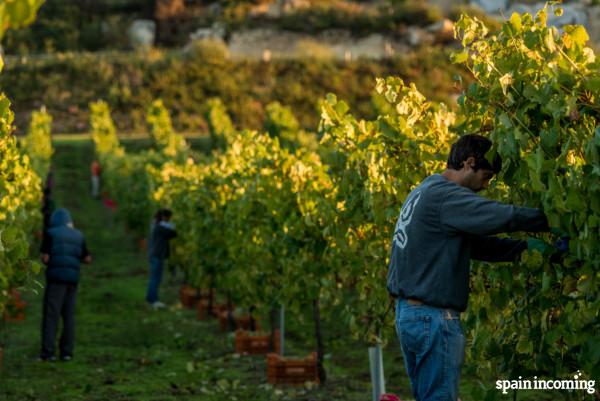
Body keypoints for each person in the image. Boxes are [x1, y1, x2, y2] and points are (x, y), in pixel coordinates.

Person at [386, 135, 554, 401]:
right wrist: (554, 218)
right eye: (486, 177)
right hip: (432, 318)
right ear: (469, 163)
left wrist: (526, 249)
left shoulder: (425, 190)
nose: (485, 186)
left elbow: (476, 246)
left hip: (411, 315)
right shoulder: (444, 196)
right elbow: (500, 216)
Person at [40, 208, 92, 362]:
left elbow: (45, 258)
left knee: (51, 316)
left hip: (55, 280)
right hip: (72, 280)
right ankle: (67, 352)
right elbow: (87, 258)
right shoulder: (78, 235)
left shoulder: (50, 233)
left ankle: (48, 352)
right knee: (68, 316)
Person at [146, 208, 177, 309]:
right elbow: (173, 233)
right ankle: (154, 300)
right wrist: (171, 226)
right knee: (156, 278)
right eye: (168, 218)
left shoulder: (155, 225)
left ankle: (150, 297)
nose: (169, 220)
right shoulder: (160, 227)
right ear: (164, 217)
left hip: (154, 255)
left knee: (154, 277)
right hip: (157, 255)